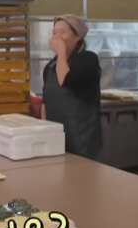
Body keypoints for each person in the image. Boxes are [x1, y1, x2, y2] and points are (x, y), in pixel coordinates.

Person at [41, 14, 102, 161]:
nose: (57, 37)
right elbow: (45, 103)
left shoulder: (88, 59)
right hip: (56, 139)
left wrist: (61, 54)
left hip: (82, 140)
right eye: (54, 32)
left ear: (78, 36)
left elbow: (66, 79)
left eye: (62, 32)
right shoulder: (50, 66)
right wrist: (44, 130)